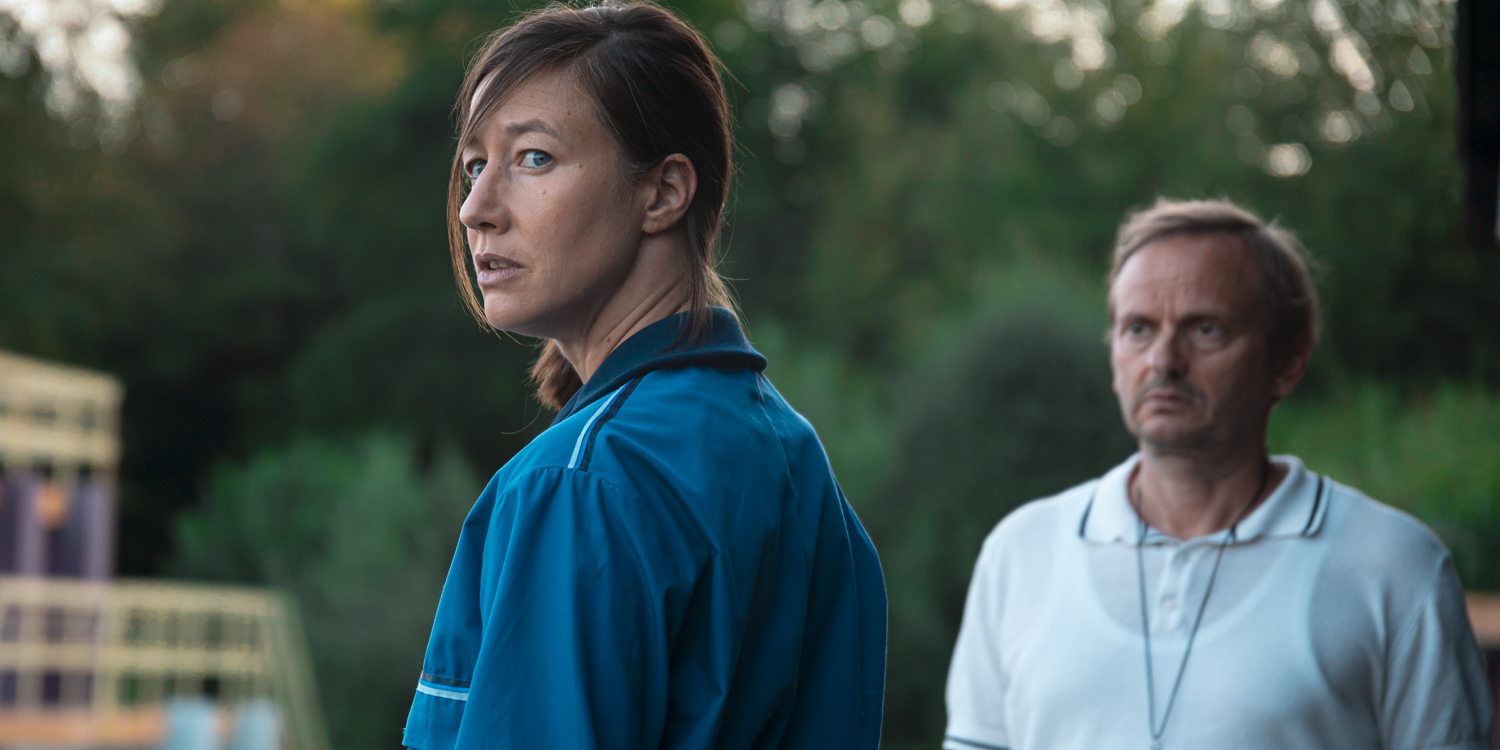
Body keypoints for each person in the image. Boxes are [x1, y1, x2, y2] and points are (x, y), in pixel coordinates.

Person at [402, 4, 886, 749]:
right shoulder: (793, 455)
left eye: (533, 158)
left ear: (663, 192)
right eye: (474, 165)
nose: (475, 209)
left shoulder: (582, 481)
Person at [943, 198, 1491, 750]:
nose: (1163, 361)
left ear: (1287, 362)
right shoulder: (1021, 553)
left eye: (1205, 329)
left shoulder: (1392, 567)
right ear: (1113, 357)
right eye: (1138, 328)